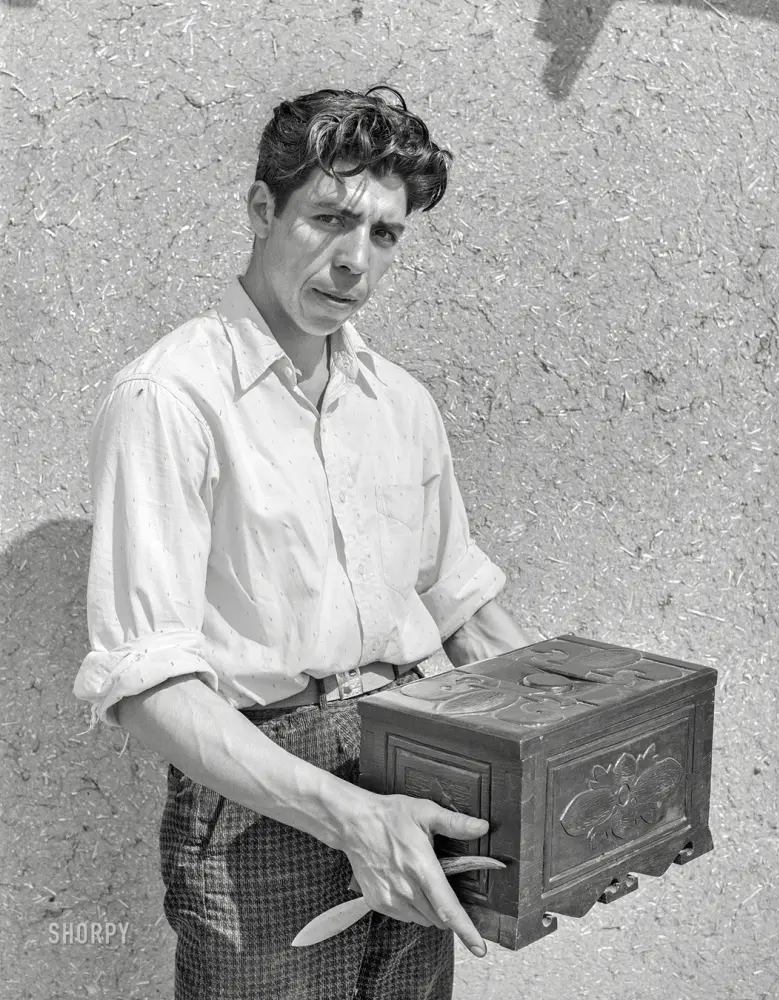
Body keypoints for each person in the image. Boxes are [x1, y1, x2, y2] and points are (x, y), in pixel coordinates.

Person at [73, 86, 531, 1000]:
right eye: (329, 218)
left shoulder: (401, 403)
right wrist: (348, 816)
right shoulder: (170, 398)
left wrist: (577, 751)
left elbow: (461, 605)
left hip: (413, 767)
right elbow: (147, 687)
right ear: (259, 208)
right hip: (260, 804)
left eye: (386, 235)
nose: (355, 262)